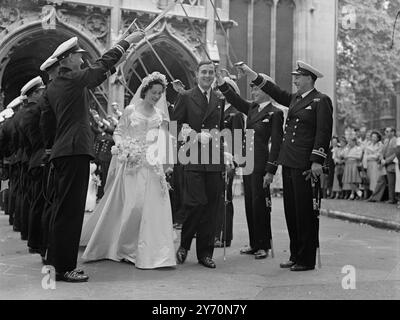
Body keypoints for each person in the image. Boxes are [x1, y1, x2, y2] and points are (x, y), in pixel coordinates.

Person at [40, 31, 145, 282]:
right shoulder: (72, 80)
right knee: (71, 212)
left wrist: (51, 147)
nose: (82, 59)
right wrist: (126, 42)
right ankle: (65, 267)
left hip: (63, 152)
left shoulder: (54, 87)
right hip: (75, 151)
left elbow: (46, 124)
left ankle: (54, 260)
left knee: (62, 209)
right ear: (66, 60)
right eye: (78, 56)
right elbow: (100, 67)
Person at [238, 60, 333, 271]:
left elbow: (323, 132)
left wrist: (317, 160)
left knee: (305, 212)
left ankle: (306, 259)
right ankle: (295, 254)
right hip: (289, 162)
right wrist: (251, 74)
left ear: (309, 78)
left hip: (306, 165)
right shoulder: (295, 100)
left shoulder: (320, 100)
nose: (295, 80)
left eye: (298, 77)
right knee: (292, 211)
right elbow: (273, 90)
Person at [80, 71, 176, 269]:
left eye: (160, 93)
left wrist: (164, 158)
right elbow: (118, 132)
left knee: (153, 208)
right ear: (145, 90)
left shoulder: (160, 115)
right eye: (153, 92)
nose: (157, 96)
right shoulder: (131, 110)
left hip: (152, 165)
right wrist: (123, 147)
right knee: (133, 206)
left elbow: (162, 139)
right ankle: (124, 246)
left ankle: (150, 250)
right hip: (132, 164)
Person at [216, 73, 283, 259]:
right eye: (252, 88)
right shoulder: (252, 109)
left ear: (267, 90)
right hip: (248, 164)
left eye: (257, 88)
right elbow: (234, 99)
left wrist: (271, 170)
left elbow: (276, 143)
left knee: (261, 204)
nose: (253, 92)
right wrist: (222, 83)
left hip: (262, 164)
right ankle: (254, 243)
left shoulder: (275, 113)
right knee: (250, 204)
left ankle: (264, 244)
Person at [172, 60, 225, 269]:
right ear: (196, 75)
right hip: (193, 157)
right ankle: (184, 245)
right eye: (204, 72)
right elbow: (173, 127)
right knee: (195, 203)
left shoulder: (219, 97)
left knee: (211, 207)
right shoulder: (185, 96)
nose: (207, 76)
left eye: (211, 72)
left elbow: (221, 128)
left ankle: (205, 253)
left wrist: (225, 152)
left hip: (213, 159)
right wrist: (194, 135)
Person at [213, 77, 245, 249]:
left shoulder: (236, 113)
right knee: (215, 197)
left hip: (228, 161)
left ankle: (225, 235)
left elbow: (239, 139)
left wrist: (234, 160)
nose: (217, 92)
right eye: (216, 89)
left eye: (221, 89)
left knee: (225, 198)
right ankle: (214, 232)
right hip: (214, 159)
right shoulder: (216, 109)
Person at [18, 77, 46, 254]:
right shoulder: (34, 111)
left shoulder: (26, 112)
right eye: (41, 91)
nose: (44, 94)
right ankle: (36, 242)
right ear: (34, 94)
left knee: (36, 201)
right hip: (40, 159)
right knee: (39, 203)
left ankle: (34, 240)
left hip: (33, 159)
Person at [364, 131, 383, 199]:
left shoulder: (380, 145)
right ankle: (371, 195)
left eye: (375, 137)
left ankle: (374, 195)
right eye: (372, 137)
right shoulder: (368, 144)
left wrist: (370, 156)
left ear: (378, 138)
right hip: (369, 164)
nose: (373, 138)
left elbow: (377, 155)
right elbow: (365, 155)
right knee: (369, 179)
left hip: (375, 164)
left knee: (374, 179)